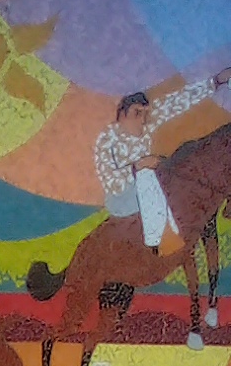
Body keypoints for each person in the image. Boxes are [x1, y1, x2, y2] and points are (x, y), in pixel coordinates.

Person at [94, 71, 230, 249]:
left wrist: (216, 81)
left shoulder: (147, 124)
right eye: (137, 112)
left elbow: (178, 101)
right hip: (121, 199)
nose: (143, 119)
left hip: (148, 189)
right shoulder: (107, 139)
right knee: (147, 175)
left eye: (145, 113)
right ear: (122, 114)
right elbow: (111, 183)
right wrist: (138, 166)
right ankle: (157, 239)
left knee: (178, 166)